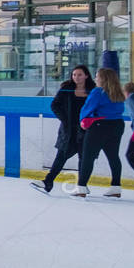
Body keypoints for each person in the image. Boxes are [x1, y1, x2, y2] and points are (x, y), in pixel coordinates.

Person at [31, 65, 95, 194]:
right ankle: (48, 182)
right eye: (74, 74)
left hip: (86, 129)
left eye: (80, 74)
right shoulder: (67, 88)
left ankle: (82, 186)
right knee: (61, 156)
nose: (76, 77)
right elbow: (55, 105)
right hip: (69, 130)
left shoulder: (93, 91)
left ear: (86, 76)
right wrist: (65, 120)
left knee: (85, 158)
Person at [71, 54, 126, 198]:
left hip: (100, 127)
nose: (95, 79)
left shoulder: (97, 92)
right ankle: (116, 187)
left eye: (97, 77)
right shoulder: (118, 93)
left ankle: (81, 187)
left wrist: (83, 120)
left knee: (87, 156)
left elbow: (87, 108)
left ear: (103, 79)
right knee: (113, 156)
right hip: (117, 125)